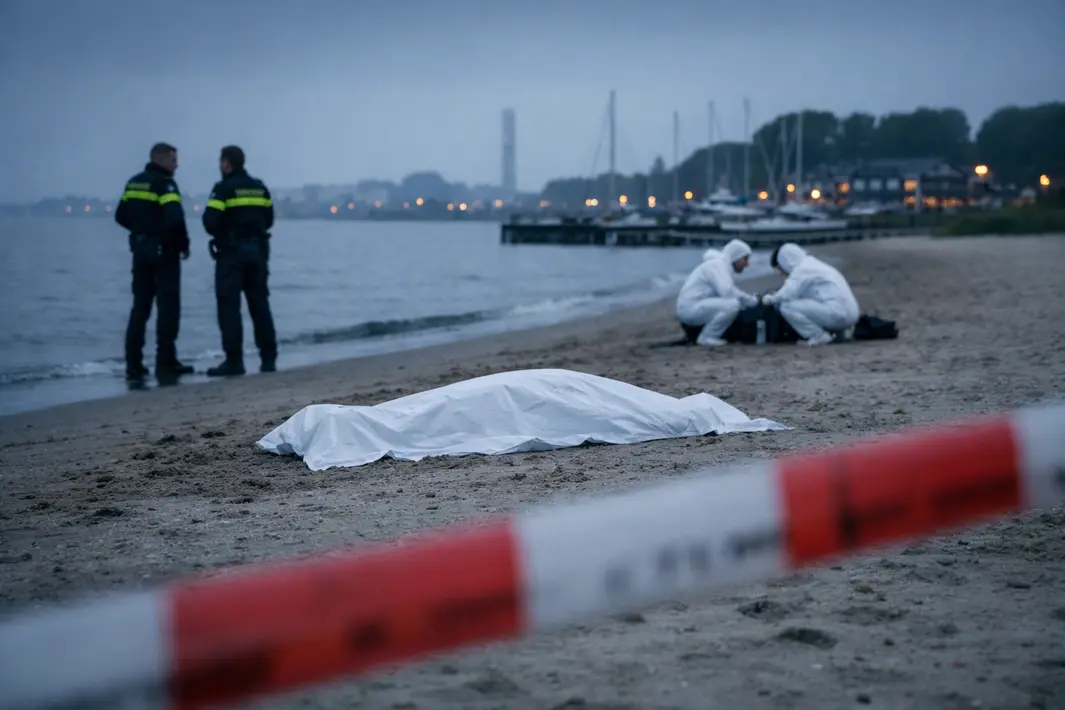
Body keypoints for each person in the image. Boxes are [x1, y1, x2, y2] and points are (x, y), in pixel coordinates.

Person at [114, 142, 193, 382]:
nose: (176, 164)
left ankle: (133, 364)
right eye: (173, 159)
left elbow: (120, 215)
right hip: (164, 252)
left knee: (140, 308)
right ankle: (165, 362)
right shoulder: (165, 184)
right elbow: (175, 219)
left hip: (140, 250)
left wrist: (141, 232)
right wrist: (183, 245)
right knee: (168, 308)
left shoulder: (134, 182)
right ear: (160, 159)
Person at [202, 145, 278, 377]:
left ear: (226, 163)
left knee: (229, 308)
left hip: (232, 255)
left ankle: (234, 361)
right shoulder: (259, 187)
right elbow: (269, 219)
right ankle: (268, 359)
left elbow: (210, 223)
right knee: (260, 306)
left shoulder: (223, 189)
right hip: (257, 253)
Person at [762, 242, 860, 347]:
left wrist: (769, 299)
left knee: (786, 307)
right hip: (851, 314)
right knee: (800, 304)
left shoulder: (802, 269)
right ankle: (841, 331)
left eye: (780, 268)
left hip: (839, 314)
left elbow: (787, 293)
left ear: (785, 261)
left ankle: (818, 336)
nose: (781, 273)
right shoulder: (814, 264)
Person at [676, 239, 758, 347]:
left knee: (732, 304)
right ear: (736, 256)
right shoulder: (717, 266)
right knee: (732, 305)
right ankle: (707, 337)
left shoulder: (719, 266)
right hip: (690, 309)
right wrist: (750, 300)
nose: (747, 264)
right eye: (745, 259)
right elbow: (727, 291)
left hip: (693, 307)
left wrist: (748, 300)